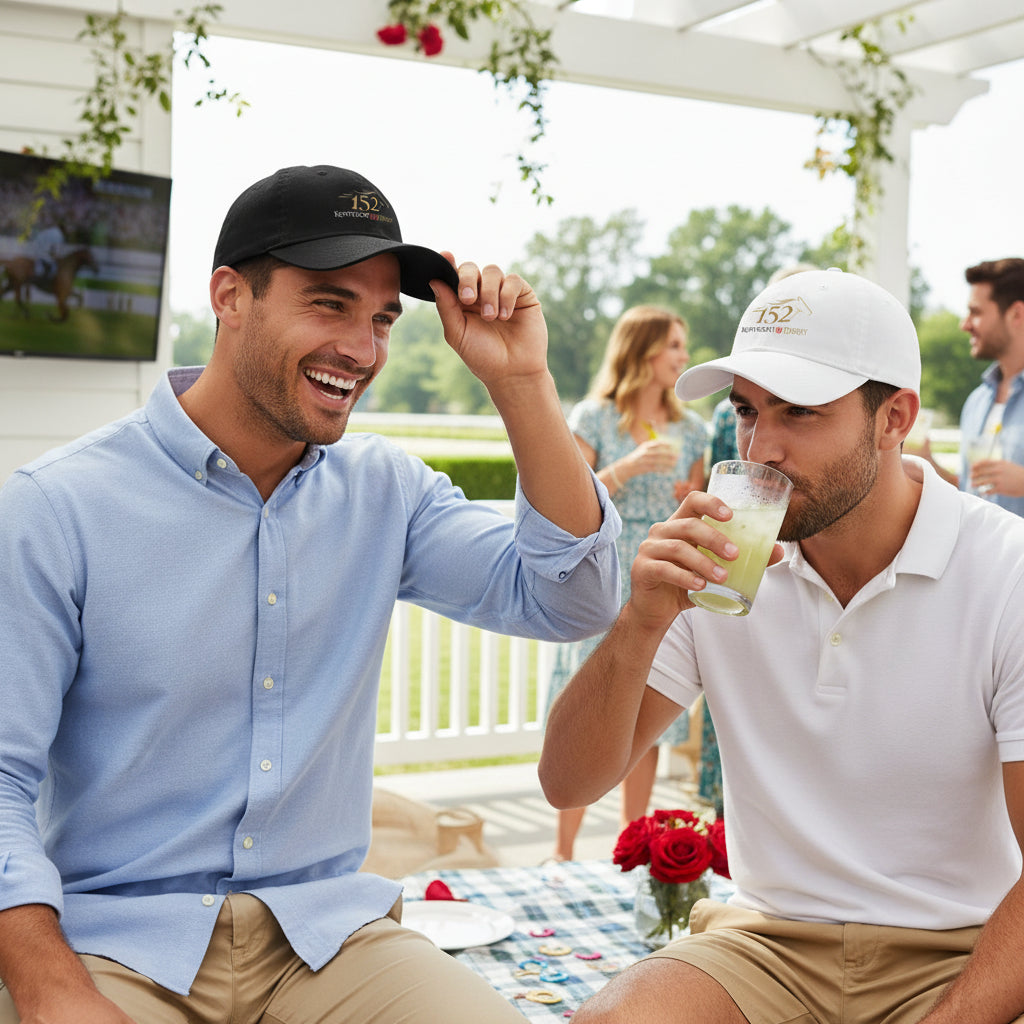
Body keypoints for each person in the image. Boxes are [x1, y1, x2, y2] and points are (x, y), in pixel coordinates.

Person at [0, 164, 622, 1024]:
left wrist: (520, 383)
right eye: (329, 305)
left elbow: (572, 600)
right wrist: (49, 987)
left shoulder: (388, 493)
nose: (362, 351)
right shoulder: (55, 508)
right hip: (119, 948)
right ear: (229, 295)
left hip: (332, 945)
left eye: (380, 321)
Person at [539, 268, 1024, 1024]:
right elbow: (567, 783)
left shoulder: (1006, 571)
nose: (762, 447)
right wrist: (640, 620)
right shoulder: (720, 564)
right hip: (769, 947)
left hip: (959, 948)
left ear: (895, 417)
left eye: (800, 411)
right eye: (745, 410)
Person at [543, 305, 706, 861]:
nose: (685, 358)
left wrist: (689, 490)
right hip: (604, 574)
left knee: (649, 718)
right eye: (675, 346)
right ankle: (562, 853)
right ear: (642, 352)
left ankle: (629, 848)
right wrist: (629, 467)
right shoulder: (593, 418)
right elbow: (568, 500)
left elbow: (695, 508)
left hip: (663, 580)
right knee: (590, 705)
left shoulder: (694, 429)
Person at [916, 258, 1024, 514]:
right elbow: (968, 490)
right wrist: (928, 464)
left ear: (1017, 314)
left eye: (975, 312)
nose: (964, 324)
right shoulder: (976, 401)